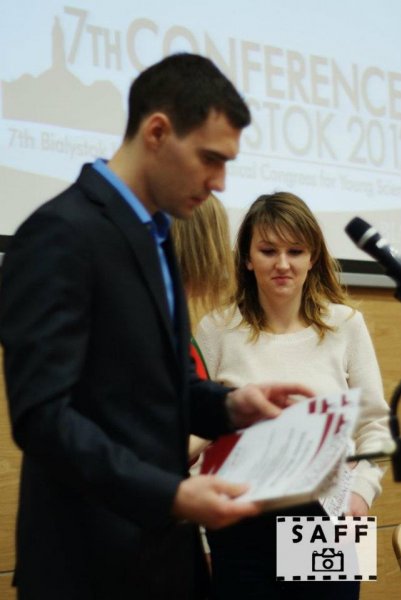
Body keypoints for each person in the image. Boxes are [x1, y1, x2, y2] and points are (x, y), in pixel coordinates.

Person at [0, 55, 313, 600]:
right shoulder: (59, 234)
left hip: (164, 561)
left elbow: (155, 387)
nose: (220, 183)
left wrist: (229, 406)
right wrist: (170, 494)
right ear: (157, 132)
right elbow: (43, 419)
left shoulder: (156, 237)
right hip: (89, 567)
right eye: (210, 159)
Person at [196, 191, 391, 600]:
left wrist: (362, 492)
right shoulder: (216, 329)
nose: (282, 264)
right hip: (239, 525)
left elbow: (376, 424)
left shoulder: (346, 324)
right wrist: (202, 535)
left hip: (327, 519)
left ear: (312, 256)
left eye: (295, 251)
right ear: (247, 258)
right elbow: (197, 435)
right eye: (268, 251)